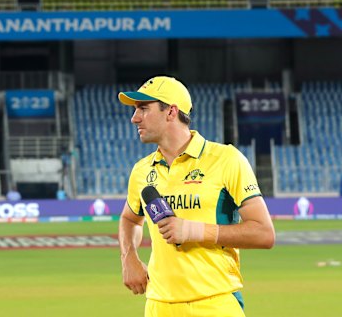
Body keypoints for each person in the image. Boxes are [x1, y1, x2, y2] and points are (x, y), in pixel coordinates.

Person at [117, 76, 275, 317]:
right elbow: (130, 219)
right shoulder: (141, 170)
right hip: (158, 305)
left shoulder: (226, 159)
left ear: (171, 112)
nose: (134, 118)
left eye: (143, 109)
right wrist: (129, 258)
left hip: (215, 303)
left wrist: (195, 231)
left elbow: (264, 234)